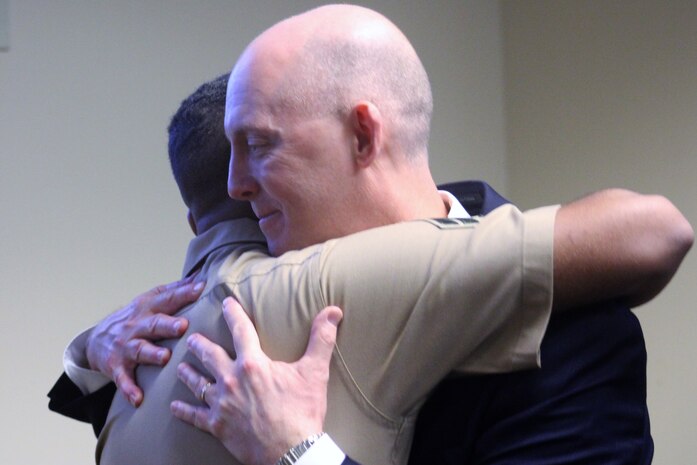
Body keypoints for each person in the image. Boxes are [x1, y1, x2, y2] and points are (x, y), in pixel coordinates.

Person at [48, 5, 693, 465]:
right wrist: (91, 351)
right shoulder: (255, 298)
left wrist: (300, 456)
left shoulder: (567, 332)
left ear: (363, 134)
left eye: (259, 147)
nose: (237, 185)